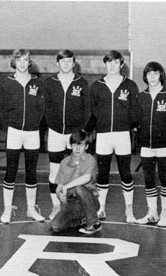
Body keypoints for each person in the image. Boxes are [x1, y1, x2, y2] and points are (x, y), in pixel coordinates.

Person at [90, 50, 139, 223]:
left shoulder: (130, 86)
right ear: (105, 64)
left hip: (122, 135)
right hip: (103, 135)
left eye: (116, 62)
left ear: (121, 64)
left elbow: (135, 111)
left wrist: (129, 125)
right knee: (102, 173)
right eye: (109, 62)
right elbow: (93, 111)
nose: (112, 66)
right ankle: (101, 208)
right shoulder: (97, 86)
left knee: (125, 173)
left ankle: (129, 210)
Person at [0, 49, 45, 223]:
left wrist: (34, 124)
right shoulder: (6, 83)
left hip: (32, 132)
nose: (23, 63)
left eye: (26, 60)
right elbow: (0, 108)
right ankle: (7, 210)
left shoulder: (37, 83)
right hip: (14, 132)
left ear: (29, 62)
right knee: (11, 170)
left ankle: (31, 209)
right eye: (19, 60)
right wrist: (10, 124)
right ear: (14, 62)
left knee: (31, 172)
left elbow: (42, 108)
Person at [44, 49, 91, 220]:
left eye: (69, 61)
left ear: (74, 63)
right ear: (57, 63)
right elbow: (45, 107)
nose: (66, 64)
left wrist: (80, 131)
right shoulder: (49, 82)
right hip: (56, 132)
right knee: (54, 171)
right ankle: (56, 206)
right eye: (62, 61)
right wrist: (53, 125)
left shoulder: (82, 83)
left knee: (77, 172)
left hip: (75, 135)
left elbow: (88, 109)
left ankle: (78, 208)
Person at [136, 61, 166, 227]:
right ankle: (152, 213)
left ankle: (164, 214)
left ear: (161, 75)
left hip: (164, 145)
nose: (152, 77)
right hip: (146, 145)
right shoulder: (141, 96)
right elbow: (137, 119)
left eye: (155, 73)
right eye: (149, 74)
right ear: (145, 77)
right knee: (149, 179)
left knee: (164, 177)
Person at [51, 131, 101, 234]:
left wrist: (66, 187)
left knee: (79, 188)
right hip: (71, 203)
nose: (77, 149)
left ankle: (94, 223)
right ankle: (82, 220)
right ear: (71, 146)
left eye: (81, 145)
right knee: (56, 226)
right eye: (74, 145)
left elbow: (86, 178)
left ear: (86, 146)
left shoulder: (90, 160)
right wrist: (60, 193)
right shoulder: (65, 162)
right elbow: (59, 187)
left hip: (89, 201)